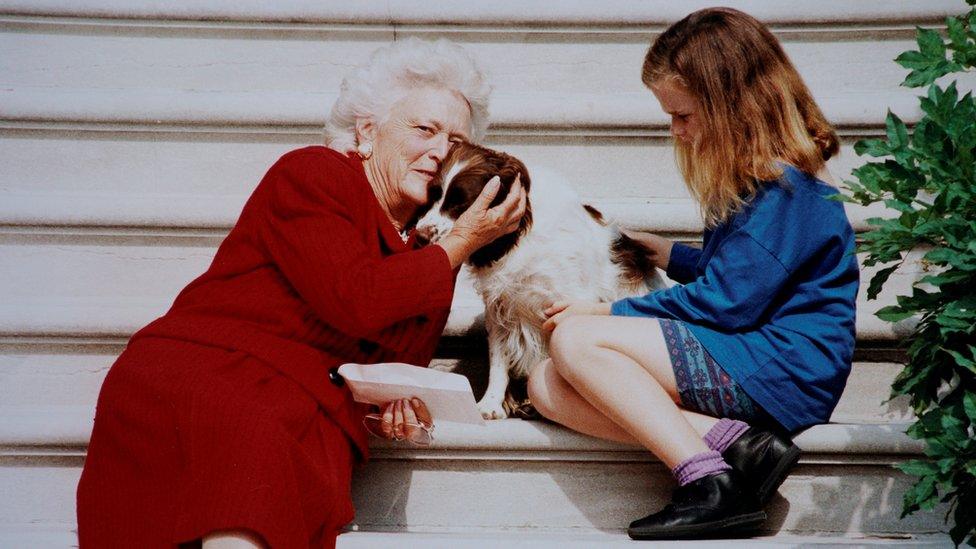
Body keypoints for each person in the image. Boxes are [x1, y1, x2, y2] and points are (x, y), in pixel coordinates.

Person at [76, 38, 526, 549]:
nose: (441, 150)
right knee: (255, 445)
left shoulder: (427, 247)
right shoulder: (316, 173)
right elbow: (355, 299)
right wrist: (466, 239)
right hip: (213, 372)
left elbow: (392, 363)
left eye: (457, 141)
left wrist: (397, 407)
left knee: (280, 446)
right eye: (424, 128)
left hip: (302, 406)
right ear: (368, 131)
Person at [527, 7, 859, 540]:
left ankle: (708, 484)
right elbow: (749, 276)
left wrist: (607, 310)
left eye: (684, 115)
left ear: (735, 106)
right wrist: (671, 255)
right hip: (756, 357)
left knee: (577, 340)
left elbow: (727, 303)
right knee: (546, 385)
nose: (676, 132)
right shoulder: (763, 187)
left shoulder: (786, 190)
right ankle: (738, 446)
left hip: (784, 368)